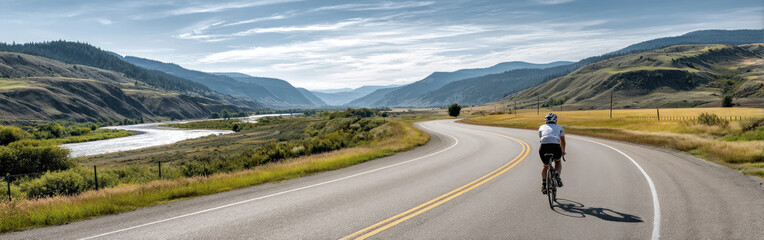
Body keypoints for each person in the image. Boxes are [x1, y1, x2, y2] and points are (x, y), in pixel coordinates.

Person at [539, 113, 565, 194]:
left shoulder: (541, 127)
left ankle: (543, 184)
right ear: (556, 120)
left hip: (543, 147)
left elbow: (541, 138)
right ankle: (557, 174)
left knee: (545, 166)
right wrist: (563, 152)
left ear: (546, 121)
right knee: (557, 161)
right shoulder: (559, 127)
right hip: (555, 146)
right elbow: (563, 141)